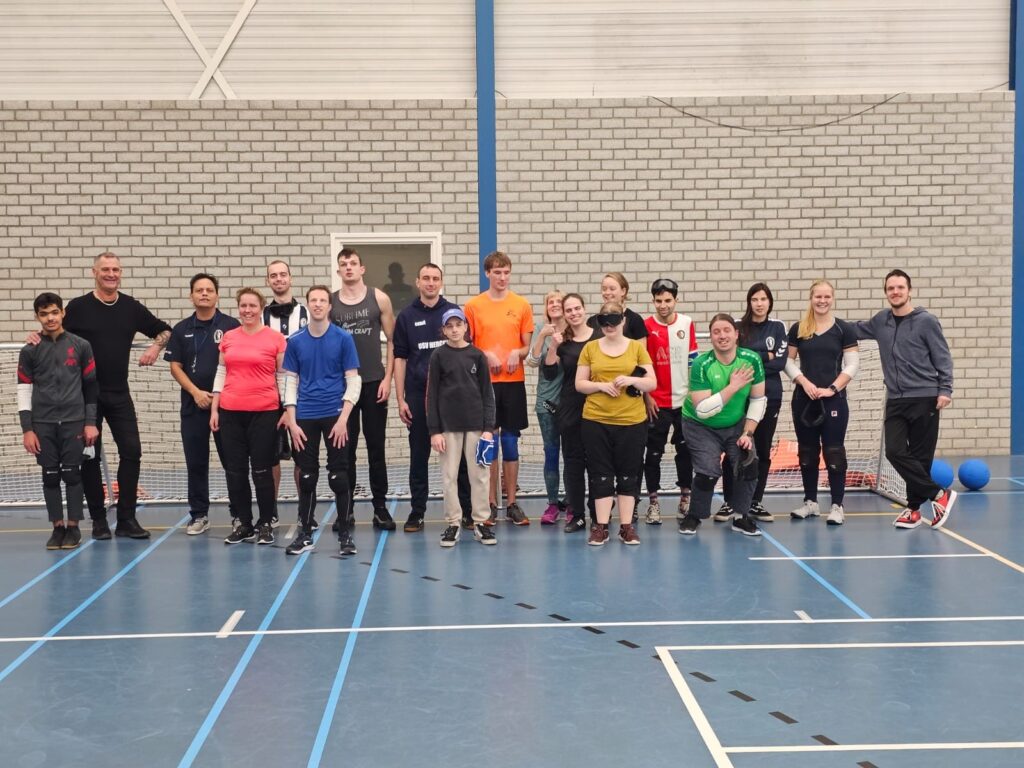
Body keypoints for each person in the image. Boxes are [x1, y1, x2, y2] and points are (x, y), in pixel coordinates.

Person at [62, 251, 172, 539]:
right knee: (90, 456)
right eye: (105, 269)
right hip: (86, 396)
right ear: (94, 273)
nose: (111, 274)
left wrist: (155, 347)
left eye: (116, 269)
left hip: (119, 393)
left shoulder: (130, 307)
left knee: (132, 451)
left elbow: (164, 330)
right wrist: (36, 337)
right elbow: (55, 334)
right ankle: (99, 520)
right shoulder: (78, 307)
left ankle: (126, 519)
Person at [854, 269, 957, 529]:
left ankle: (912, 510)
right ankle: (939, 494)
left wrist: (945, 389)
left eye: (900, 287)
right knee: (895, 451)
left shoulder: (926, 321)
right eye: (891, 288)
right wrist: (826, 323)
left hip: (925, 397)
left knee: (921, 458)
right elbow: (853, 329)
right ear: (886, 292)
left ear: (909, 290)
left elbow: (942, 357)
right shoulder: (881, 321)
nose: (895, 292)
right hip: (896, 399)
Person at [392, 263, 472, 532]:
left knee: (459, 458)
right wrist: (400, 398)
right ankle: (417, 512)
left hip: (451, 397)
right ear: (417, 282)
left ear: (441, 282)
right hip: (417, 395)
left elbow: (465, 351)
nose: (430, 282)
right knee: (419, 455)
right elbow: (400, 358)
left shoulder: (453, 314)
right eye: (425, 278)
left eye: (435, 278)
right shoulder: (406, 316)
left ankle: (467, 512)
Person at [282, 286, 362, 556]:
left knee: (339, 476)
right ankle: (305, 534)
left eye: (322, 301)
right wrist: (292, 422)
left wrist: (343, 419)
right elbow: (290, 381)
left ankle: (345, 535)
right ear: (308, 306)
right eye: (313, 300)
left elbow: (353, 380)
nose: (317, 305)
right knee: (307, 477)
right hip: (305, 417)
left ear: (330, 306)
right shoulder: (295, 341)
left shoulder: (343, 338)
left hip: (335, 416)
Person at [18, 292, 99, 550]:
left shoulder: (81, 345)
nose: (50, 318)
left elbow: (91, 388)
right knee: (50, 476)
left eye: (54, 312)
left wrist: (90, 422)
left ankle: (73, 527)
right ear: (37, 317)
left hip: (75, 422)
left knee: (72, 475)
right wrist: (27, 429)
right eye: (44, 314)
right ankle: (57, 528)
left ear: (63, 313)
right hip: (43, 424)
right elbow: (24, 391)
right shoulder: (29, 351)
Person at [575, 300, 657, 546]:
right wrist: (600, 385)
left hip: (631, 421)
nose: (609, 326)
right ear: (599, 323)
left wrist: (632, 380)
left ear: (623, 320)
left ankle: (626, 526)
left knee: (628, 475)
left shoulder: (636, 348)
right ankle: (600, 526)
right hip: (596, 420)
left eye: (614, 320)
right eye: (604, 321)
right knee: (600, 475)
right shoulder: (590, 348)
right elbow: (580, 383)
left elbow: (651, 382)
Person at [678, 314, 768, 537]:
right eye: (716, 332)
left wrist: (748, 432)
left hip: (735, 423)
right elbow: (704, 409)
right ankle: (695, 515)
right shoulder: (702, 364)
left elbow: (758, 401)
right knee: (708, 471)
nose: (722, 336)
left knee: (749, 464)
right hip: (699, 425)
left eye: (727, 330)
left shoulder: (752, 360)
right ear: (711, 337)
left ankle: (741, 516)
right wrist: (733, 386)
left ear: (736, 334)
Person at [211, 288, 287, 546]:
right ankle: (244, 523)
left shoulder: (275, 339)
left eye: (252, 306)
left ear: (261, 308)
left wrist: (287, 409)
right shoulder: (229, 338)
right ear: (238, 308)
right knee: (235, 471)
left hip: (265, 412)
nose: (247, 310)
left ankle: (265, 522)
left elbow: (283, 377)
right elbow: (221, 373)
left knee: (262, 470)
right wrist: (215, 407)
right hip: (231, 412)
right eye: (243, 305)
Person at [165, 273, 240, 535]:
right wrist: (196, 392)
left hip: (226, 406)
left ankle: (239, 514)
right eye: (199, 290)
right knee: (196, 462)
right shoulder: (182, 329)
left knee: (233, 461)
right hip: (193, 405)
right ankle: (199, 515)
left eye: (209, 290)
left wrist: (217, 397)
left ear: (217, 295)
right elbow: (175, 367)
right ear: (191, 296)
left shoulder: (232, 326)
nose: (204, 294)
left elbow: (238, 365)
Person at [464, 250, 535, 525]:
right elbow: (467, 345)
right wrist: (486, 354)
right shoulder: (473, 306)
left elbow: (527, 347)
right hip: (485, 385)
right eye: (497, 272)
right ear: (487, 274)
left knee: (510, 441)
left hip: (513, 382)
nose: (502, 277)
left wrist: (518, 352)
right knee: (489, 441)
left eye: (506, 272)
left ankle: (512, 502)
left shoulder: (521, 305)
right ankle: (490, 502)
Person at [331, 248, 397, 531]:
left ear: (362, 269)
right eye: (343, 264)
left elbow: (394, 341)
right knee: (344, 451)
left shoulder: (378, 298)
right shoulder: (331, 303)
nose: (348, 268)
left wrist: (387, 379)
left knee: (375, 449)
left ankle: (380, 509)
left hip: (373, 384)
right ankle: (345, 511)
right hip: (343, 388)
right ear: (338, 271)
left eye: (353, 263)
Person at [784, 279, 859, 526]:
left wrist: (832, 388)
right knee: (807, 453)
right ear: (811, 298)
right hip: (803, 401)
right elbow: (787, 361)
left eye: (827, 297)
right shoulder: (798, 328)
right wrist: (804, 383)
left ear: (832, 298)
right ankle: (811, 503)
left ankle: (837, 505)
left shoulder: (843, 330)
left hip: (834, 401)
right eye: (818, 296)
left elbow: (852, 364)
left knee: (834, 452)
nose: (822, 301)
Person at [426, 307, 498, 547]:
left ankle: (480, 522)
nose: (455, 329)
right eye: (450, 326)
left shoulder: (477, 356)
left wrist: (488, 427)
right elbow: (432, 395)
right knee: (449, 476)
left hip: (477, 427)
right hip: (448, 427)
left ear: (466, 327)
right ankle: (453, 523)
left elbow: (488, 394)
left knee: (480, 475)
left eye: (459, 324)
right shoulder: (438, 356)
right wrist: (435, 431)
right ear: (444, 330)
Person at [719, 283, 788, 523]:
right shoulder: (738, 328)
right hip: (741, 397)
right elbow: (734, 360)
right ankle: (729, 502)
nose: (759, 303)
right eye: (755, 299)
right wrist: (765, 355)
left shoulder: (778, 327)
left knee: (763, 450)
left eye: (763, 299)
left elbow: (780, 363)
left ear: (770, 302)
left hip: (771, 396)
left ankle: (755, 501)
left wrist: (752, 356)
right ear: (749, 302)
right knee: (734, 449)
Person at [641, 278, 698, 525]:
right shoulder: (646, 326)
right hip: (657, 403)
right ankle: (653, 503)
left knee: (685, 452)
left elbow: (693, 361)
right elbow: (642, 366)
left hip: (684, 403)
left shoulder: (687, 323)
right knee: (652, 455)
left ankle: (685, 500)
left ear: (676, 300)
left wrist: (693, 395)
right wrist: (647, 395)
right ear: (653, 301)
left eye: (667, 300)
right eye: (658, 301)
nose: (663, 305)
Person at [543, 293, 601, 533]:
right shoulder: (563, 342)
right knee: (574, 464)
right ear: (564, 315)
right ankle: (577, 515)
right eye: (569, 310)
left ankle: (599, 515)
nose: (574, 313)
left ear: (585, 310)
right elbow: (548, 373)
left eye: (577, 308)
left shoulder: (599, 338)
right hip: (570, 410)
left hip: (598, 408)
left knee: (598, 464)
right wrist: (554, 346)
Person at [264, 259, 309, 523]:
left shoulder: (306, 312)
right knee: (271, 456)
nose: (279, 279)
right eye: (273, 276)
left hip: (303, 395)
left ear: (290, 278)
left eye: (283, 275)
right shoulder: (261, 315)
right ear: (268, 281)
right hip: (269, 394)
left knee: (303, 455)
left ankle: (305, 509)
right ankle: (271, 511)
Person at [526, 290, 567, 525]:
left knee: (572, 455)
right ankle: (552, 503)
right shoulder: (541, 328)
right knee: (551, 452)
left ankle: (571, 501)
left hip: (571, 403)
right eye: (550, 302)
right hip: (546, 402)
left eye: (558, 302)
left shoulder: (573, 330)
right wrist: (542, 336)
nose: (554, 305)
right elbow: (531, 363)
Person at [589, 272, 648, 340]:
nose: (607, 292)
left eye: (612, 289)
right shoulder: (592, 321)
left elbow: (641, 349)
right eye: (604, 289)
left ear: (623, 291)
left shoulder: (635, 319)